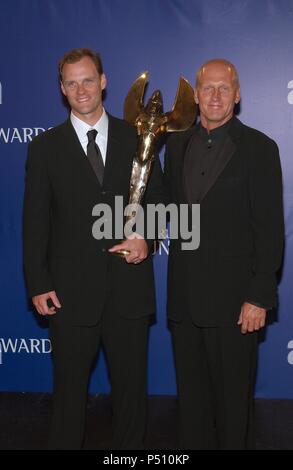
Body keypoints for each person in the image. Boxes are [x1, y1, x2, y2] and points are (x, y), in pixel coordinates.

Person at [23, 48, 163, 450]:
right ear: (62, 90)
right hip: (69, 294)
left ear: (103, 81)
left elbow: (160, 197)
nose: (80, 89)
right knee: (68, 396)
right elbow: (35, 223)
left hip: (128, 289)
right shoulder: (45, 148)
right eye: (71, 83)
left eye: (88, 80)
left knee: (132, 395)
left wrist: (147, 236)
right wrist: (38, 282)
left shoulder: (138, 137)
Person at [164, 59, 284, 449]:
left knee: (234, 413)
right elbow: (166, 212)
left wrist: (259, 296)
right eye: (208, 88)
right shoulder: (175, 144)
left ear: (237, 94)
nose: (215, 96)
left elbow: (269, 230)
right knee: (192, 411)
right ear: (195, 95)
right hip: (185, 304)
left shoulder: (261, 149)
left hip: (236, 307)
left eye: (224, 88)